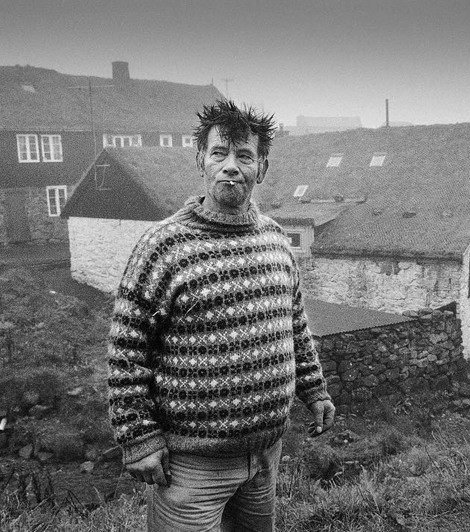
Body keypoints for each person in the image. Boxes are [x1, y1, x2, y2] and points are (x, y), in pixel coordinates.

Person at [107, 100, 335, 531]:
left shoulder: (275, 240)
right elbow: (127, 352)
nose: (231, 166)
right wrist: (138, 437)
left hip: (265, 455)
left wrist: (315, 391)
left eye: (244, 156)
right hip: (192, 468)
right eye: (219, 154)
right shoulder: (164, 246)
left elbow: (295, 326)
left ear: (261, 168)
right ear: (201, 161)